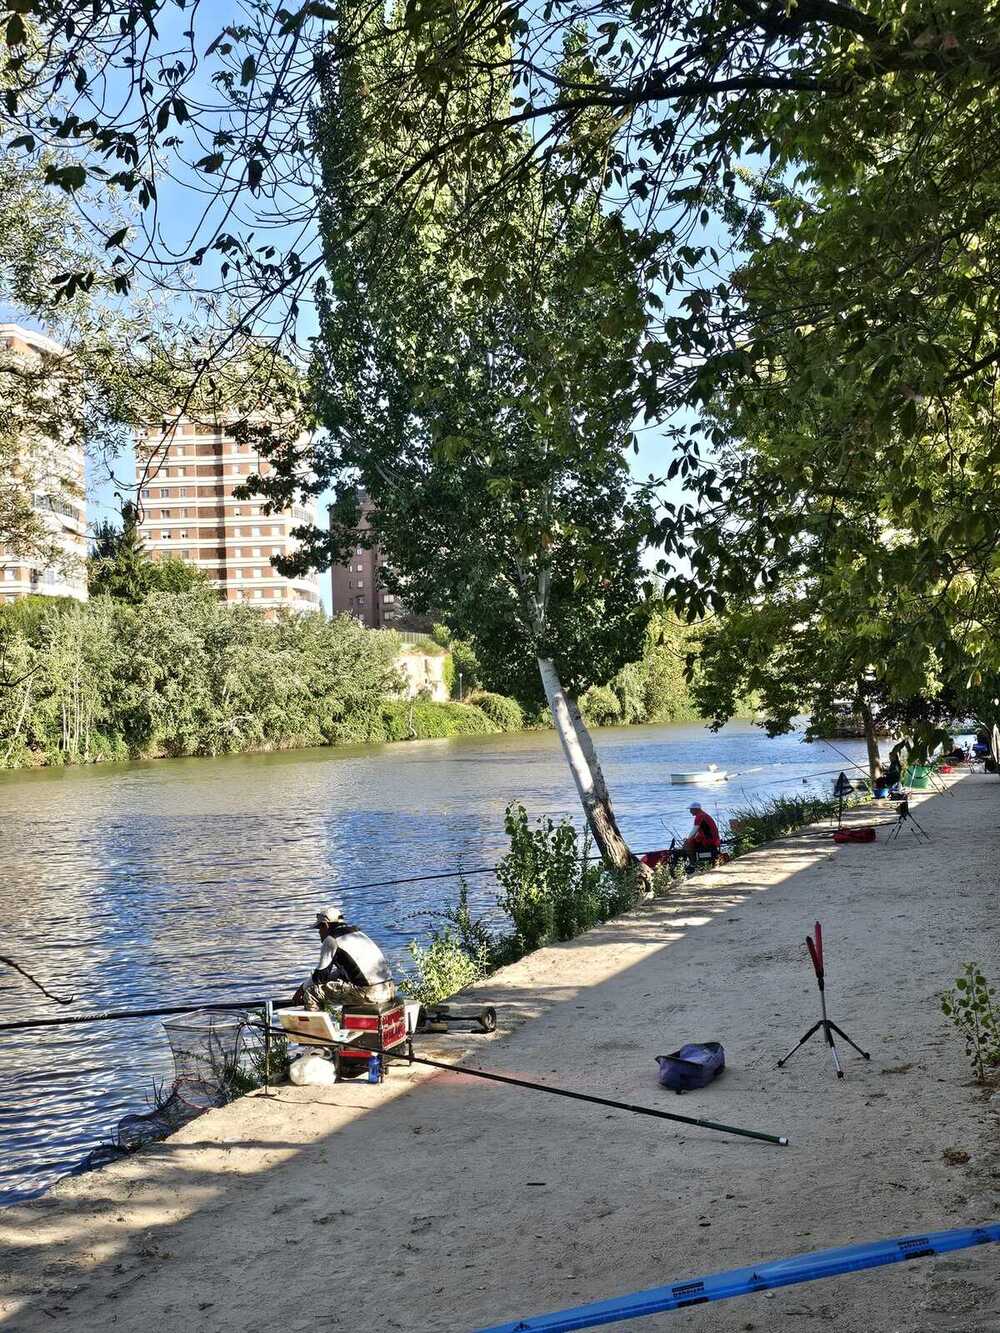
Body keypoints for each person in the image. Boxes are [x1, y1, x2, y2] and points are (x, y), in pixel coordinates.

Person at [293, 908, 397, 1012]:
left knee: (312, 993)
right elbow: (344, 972)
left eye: (319, 928)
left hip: (369, 992)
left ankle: (313, 1027)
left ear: (326, 925)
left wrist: (302, 989)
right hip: (389, 989)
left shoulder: (331, 940)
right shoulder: (358, 934)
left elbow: (320, 977)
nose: (319, 932)